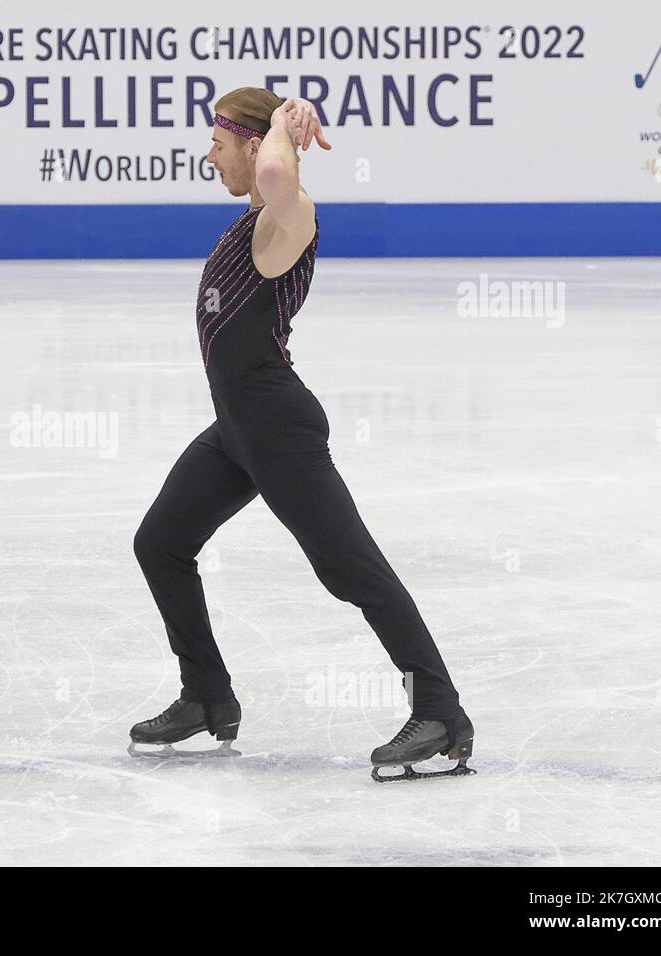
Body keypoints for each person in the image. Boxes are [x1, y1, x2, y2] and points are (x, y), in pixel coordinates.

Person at [129, 88, 474, 781]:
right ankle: (207, 695)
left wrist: (286, 122)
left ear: (253, 148)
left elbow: (283, 176)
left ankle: (439, 709)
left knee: (351, 569)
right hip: (238, 430)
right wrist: (280, 131)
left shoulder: (289, 219)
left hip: (277, 425)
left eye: (219, 143)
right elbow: (271, 177)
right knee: (161, 542)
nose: (208, 155)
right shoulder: (251, 224)